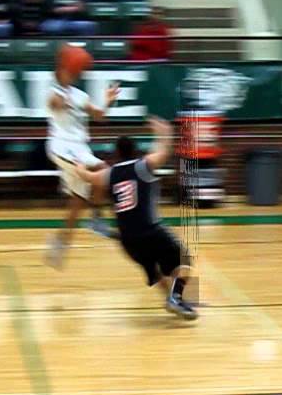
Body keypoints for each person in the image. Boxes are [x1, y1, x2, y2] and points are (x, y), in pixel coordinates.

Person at [74, 117, 197, 320]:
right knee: (185, 261)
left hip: (128, 240)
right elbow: (164, 151)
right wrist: (164, 132)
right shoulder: (143, 165)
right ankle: (175, 297)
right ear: (135, 151)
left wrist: (78, 166)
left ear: (116, 154)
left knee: (155, 273)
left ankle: (173, 302)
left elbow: (86, 177)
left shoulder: (108, 174)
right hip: (151, 230)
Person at [44, 45, 120, 269]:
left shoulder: (80, 95)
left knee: (78, 201)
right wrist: (63, 73)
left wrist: (107, 100)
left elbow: (99, 116)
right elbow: (54, 103)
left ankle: (59, 244)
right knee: (102, 170)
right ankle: (96, 218)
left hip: (80, 148)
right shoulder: (54, 91)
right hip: (61, 147)